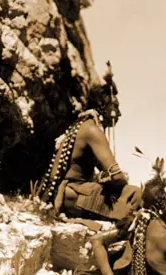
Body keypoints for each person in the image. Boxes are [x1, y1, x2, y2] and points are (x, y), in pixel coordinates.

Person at [35, 64, 141, 223]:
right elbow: (117, 176)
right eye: (115, 107)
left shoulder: (82, 125)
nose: (118, 113)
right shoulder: (92, 131)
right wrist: (116, 179)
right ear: (105, 108)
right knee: (136, 194)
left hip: (66, 194)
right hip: (71, 196)